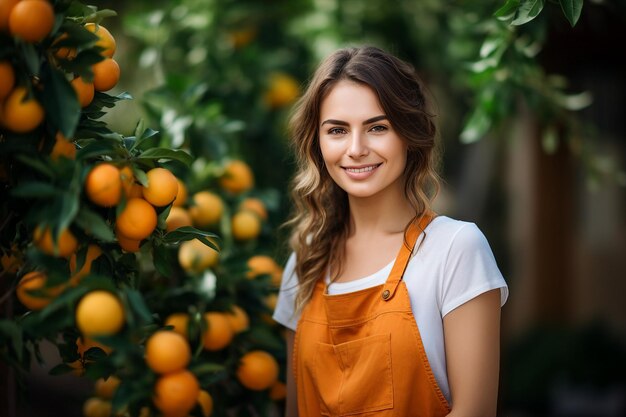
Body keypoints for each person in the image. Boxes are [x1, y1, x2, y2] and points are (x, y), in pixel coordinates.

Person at [272, 45, 509, 417]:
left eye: (377, 128)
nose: (356, 149)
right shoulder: (304, 263)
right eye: (337, 130)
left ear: (409, 134)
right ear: (317, 144)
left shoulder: (455, 249)